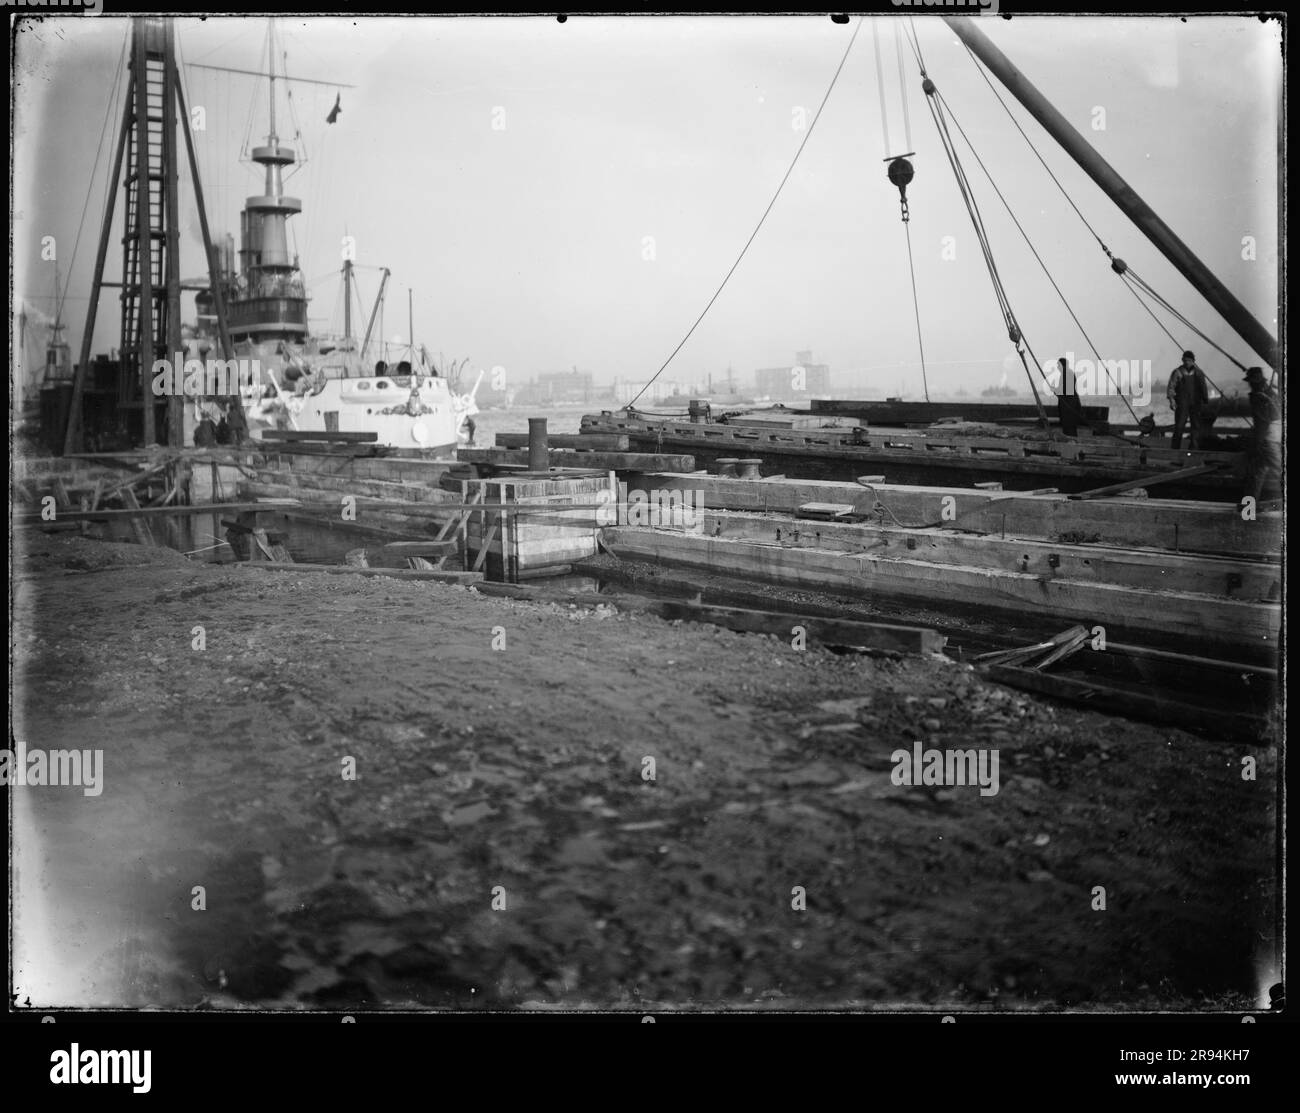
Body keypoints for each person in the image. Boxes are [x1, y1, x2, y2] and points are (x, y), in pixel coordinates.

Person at [1242, 366, 1280, 502]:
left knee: (1273, 471)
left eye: (1250, 381)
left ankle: (1248, 511)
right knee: (1255, 475)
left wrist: (1257, 442)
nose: (1249, 384)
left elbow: (1267, 420)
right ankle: (1248, 510)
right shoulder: (1269, 394)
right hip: (1271, 438)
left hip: (1266, 440)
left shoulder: (1259, 396)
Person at [1167, 350, 1209, 449]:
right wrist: (1172, 401)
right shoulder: (1177, 372)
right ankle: (1175, 450)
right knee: (1179, 427)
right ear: (1182, 360)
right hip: (1182, 404)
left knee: (1196, 427)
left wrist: (1205, 402)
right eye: (1185, 360)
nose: (1187, 362)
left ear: (1193, 361)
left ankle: (1193, 450)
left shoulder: (1199, 373)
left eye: (1189, 360)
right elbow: (1171, 387)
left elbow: (1203, 388)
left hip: (1196, 404)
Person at [1055, 356, 1084, 436]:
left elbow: (1066, 390)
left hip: (1068, 405)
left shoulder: (1065, 374)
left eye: (1058, 365)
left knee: (1069, 428)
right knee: (1070, 427)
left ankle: (1071, 443)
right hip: (1070, 404)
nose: (1057, 367)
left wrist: (1056, 391)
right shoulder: (1069, 373)